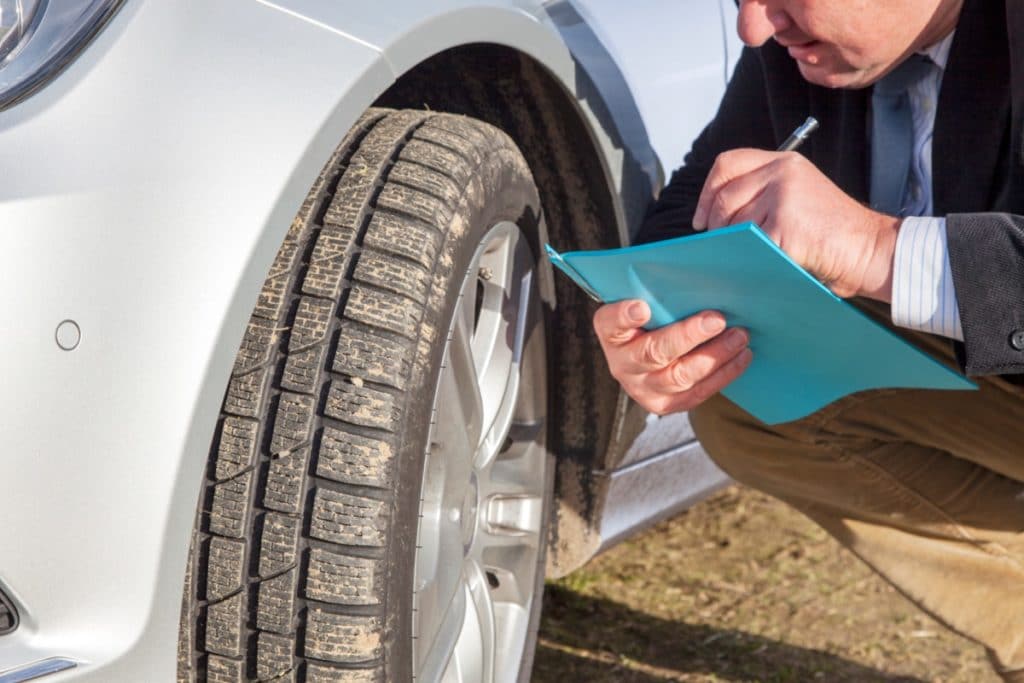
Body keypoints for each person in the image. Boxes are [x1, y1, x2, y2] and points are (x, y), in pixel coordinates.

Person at [592, 0, 1024, 679]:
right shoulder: (802, 48)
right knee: (745, 382)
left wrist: (875, 249)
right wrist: (657, 317)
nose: (754, 29)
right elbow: (701, 197)